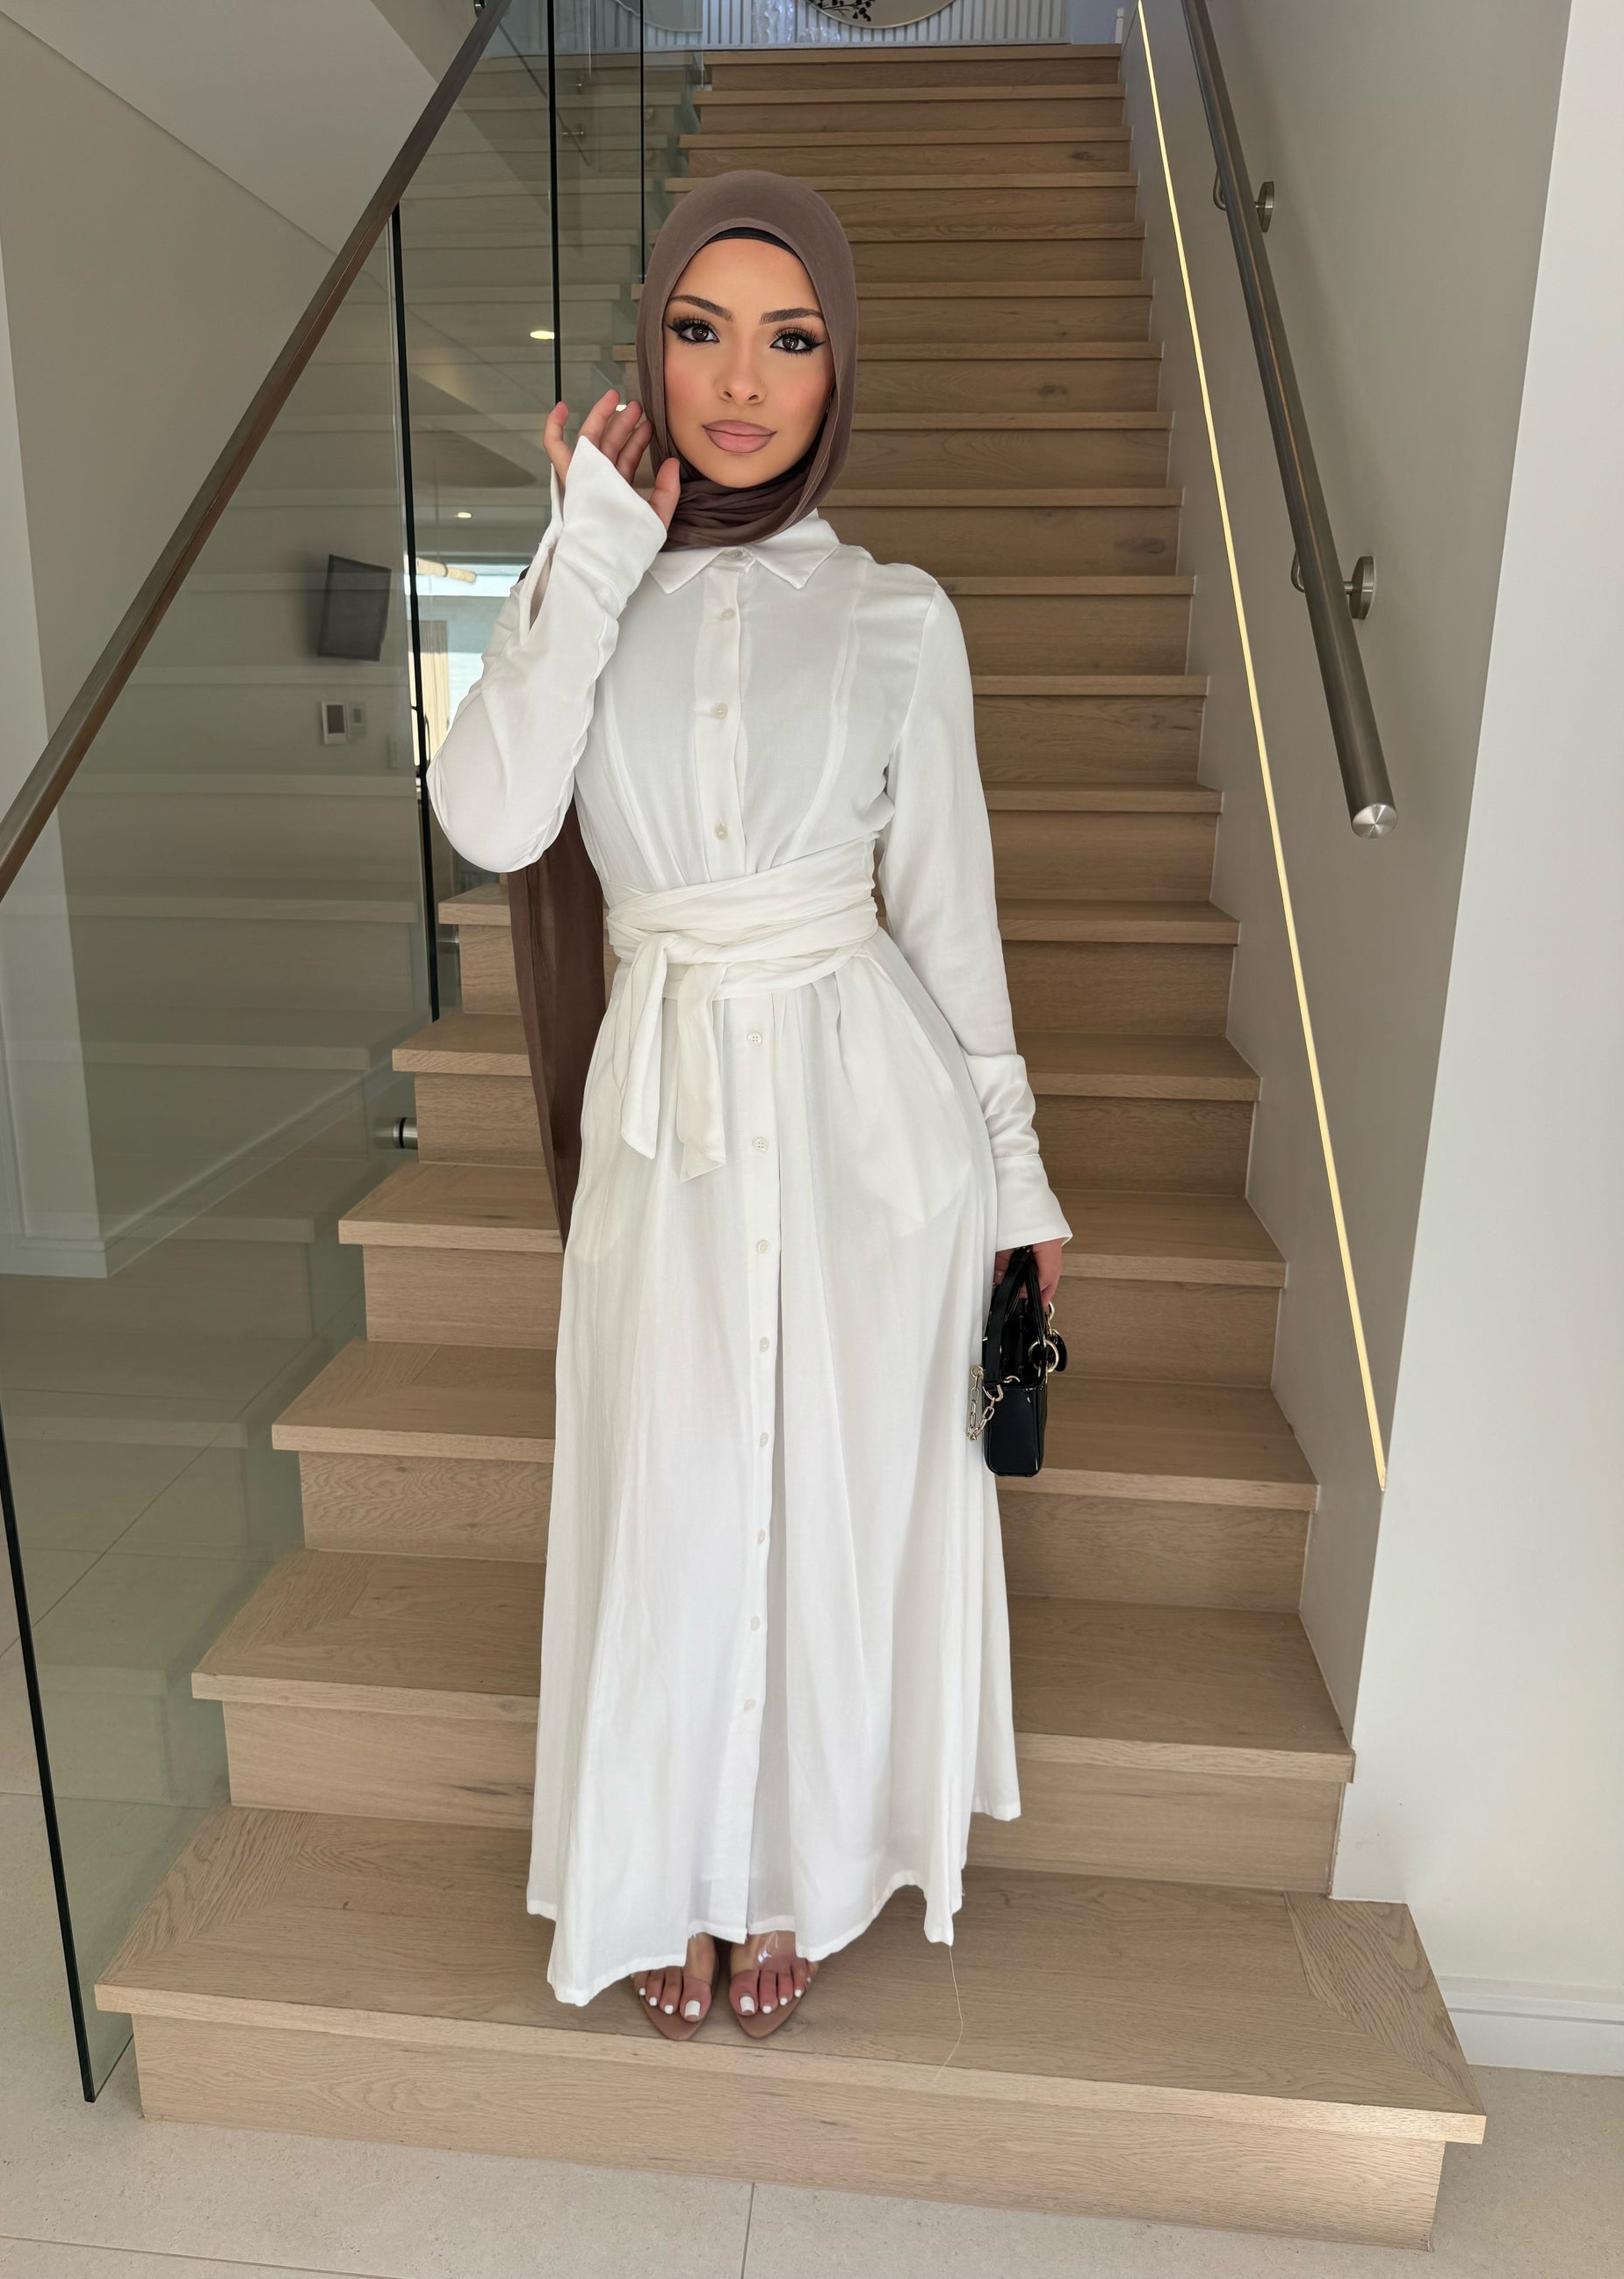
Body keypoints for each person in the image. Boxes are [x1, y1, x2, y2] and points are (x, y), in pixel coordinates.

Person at [428, 171, 1072, 2044]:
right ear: (650, 352)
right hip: (669, 1108)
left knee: (831, 1498)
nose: (739, 381)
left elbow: (950, 925)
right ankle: (666, 1868)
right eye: (700, 332)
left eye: (788, 340)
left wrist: (1019, 1183)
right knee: (675, 1485)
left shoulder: (896, 616)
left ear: (835, 370)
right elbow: (489, 818)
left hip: (873, 1124)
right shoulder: (586, 582)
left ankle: (782, 1870)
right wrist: (588, 545)